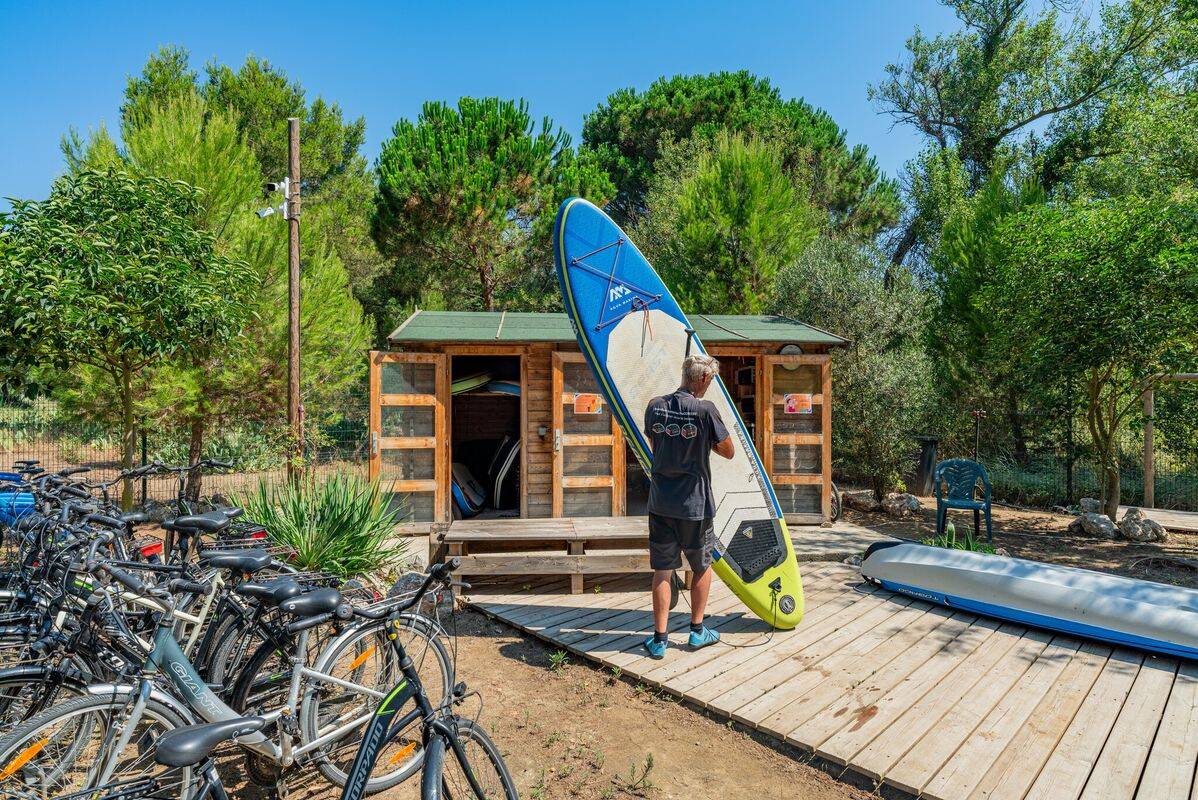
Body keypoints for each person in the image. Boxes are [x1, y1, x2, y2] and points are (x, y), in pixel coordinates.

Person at [641, 353, 734, 659]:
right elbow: (729, 451)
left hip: (661, 502)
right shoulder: (706, 410)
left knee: (663, 570)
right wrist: (703, 440)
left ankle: (659, 640)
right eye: (712, 380)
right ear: (704, 379)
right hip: (695, 505)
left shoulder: (655, 406)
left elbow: (657, 447)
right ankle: (696, 633)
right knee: (701, 566)